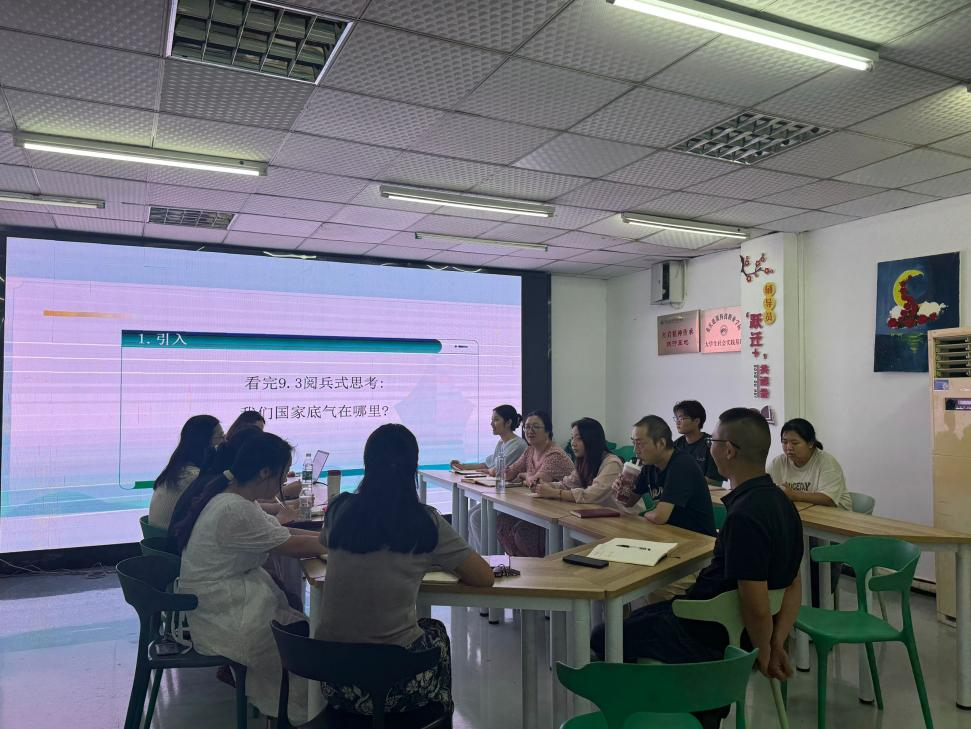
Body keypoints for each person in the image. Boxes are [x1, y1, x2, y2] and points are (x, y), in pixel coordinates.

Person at [592, 409, 803, 728]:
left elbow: (757, 604)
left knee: (604, 636)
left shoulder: (745, 516)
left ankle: (659, 711)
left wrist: (763, 652)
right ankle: (702, 709)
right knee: (642, 616)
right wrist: (776, 641)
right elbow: (793, 582)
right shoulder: (782, 503)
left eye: (712, 441)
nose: (708, 447)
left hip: (705, 628)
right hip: (722, 623)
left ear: (728, 450)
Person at [317, 424, 493, 717]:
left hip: (333, 678)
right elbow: (484, 577)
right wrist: (432, 559)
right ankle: (437, 716)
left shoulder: (339, 508)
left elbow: (329, 544)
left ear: (367, 463)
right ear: (413, 466)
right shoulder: (425, 521)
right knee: (435, 631)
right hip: (390, 683)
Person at [172, 431, 325, 722]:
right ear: (265, 472)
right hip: (225, 615)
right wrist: (336, 542)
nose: (284, 481)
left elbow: (281, 532)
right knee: (301, 646)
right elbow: (290, 545)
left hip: (223, 604)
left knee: (300, 630)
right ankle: (305, 714)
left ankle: (298, 709)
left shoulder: (234, 498)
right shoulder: (234, 509)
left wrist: (327, 537)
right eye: (283, 473)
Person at [495, 411, 575, 557]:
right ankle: (518, 564)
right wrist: (513, 472)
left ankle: (531, 566)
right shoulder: (530, 450)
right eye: (527, 427)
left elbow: (535, 484)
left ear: (548, 431)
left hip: (558, 515)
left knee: (521, 532)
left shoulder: (555, 455)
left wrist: (524, 475)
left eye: (535, 427)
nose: (529, 431)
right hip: (538, 508)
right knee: (502, 522)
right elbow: (510, 473)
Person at [625, 415, 716, 537]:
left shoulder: (682, 464)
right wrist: (622, 490)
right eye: (633, 443)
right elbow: (629, 502)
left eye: (640, 444)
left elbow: (659, 517)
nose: (635, 450)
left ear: (661, 443)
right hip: (668, 534)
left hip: (698, 540)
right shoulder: (649, 464)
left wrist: (644, 514)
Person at [453, 406, 528, 551]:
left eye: (496, 420)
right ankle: (477, 555)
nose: (492, 423)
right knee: (471, 514)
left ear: (508, 422)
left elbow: (496, 470)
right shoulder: (501, 443)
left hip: (511, 495)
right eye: (492, 420)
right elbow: (487, 464)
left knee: (476, 518)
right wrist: (462, 466)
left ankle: (487, 557)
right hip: (500, 493)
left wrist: (488, 470)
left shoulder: (518, 445)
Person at [148, 415, 223, 530]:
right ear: (205, 442)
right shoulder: (193, 477)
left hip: (162, 536)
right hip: (173, 538)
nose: (224, 441)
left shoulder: (177, 470)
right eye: (221, 436)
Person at [533, 417, 622, 505]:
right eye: (572, 438)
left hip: (615, 513)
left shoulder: (612, 463)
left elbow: (591, 495)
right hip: (593, 511)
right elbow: (567, 484)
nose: (573, 443)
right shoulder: (585, 460)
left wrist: (555, 493)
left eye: (579, 438)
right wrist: (547, 486)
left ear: (592, 440)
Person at [768, 418, 851, 510]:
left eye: (795, 443)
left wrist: (795, 495)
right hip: (801, 512)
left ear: (811, 443)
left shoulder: (827, 462)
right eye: (785, 442)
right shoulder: (777, 463)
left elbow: (829, 499)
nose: (789, 447)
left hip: (835, 514)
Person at [672, 400, 725, 487]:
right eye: (676, 418)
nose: (677, 422)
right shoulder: (675, 445)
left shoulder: (712, 444)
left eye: (681, 418)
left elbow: (715, 480)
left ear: (696, 421)